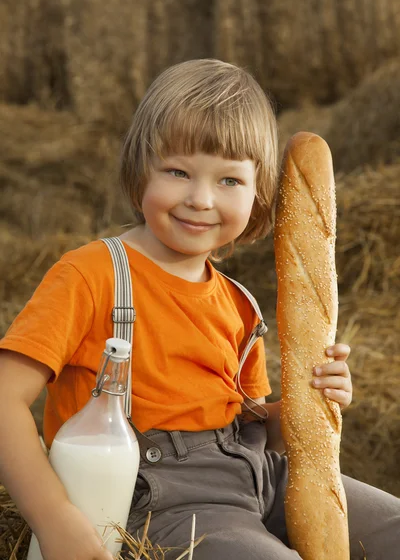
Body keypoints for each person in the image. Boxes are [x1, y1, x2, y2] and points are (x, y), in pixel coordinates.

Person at [0, 59, 398, 560]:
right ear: (140, 168)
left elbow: (251, 427)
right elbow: (5, 400)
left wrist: (314, 402)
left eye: (229, 180)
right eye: (178, 171)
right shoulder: (93, 275)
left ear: (259, 195)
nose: (201, 198)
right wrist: (54, 518)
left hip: (259, 475)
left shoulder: (241, 304)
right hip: (166, 498)